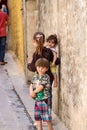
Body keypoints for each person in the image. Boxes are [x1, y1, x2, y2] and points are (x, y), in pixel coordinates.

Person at [27, 31, 60, 108]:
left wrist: (29, 64)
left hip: (39, 78)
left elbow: (32, 68)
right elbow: (57, 61)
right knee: (48, 94)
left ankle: (41, 112)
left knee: (40, 95)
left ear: (34, 41)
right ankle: (48, 113)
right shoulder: (49, 51)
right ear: (44, 40)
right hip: (49, 77)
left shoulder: (35, 54)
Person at [29, 58, 54, 130]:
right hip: (37, 100)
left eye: (42, 68)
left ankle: (50, 128)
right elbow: (31, 84)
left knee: (47, 117)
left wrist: (34, 92)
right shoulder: (35, 76)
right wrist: (31, 91)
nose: (40, 69)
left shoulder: (46, 77)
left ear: (46, 68)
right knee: (38, 117)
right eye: (39, 67)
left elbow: (41, 87)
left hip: (45, 100)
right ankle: (40, 128)